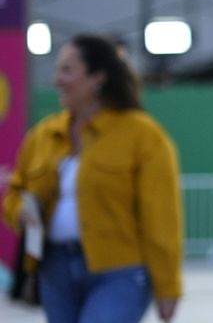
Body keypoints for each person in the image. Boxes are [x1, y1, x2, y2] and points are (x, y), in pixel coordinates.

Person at [3, 35, 182, 323]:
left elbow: (162, 218)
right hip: (54, 270)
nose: (57, 80)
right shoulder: (43, 135)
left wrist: (168, 286)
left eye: (67, 70)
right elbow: (15, 192)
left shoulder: (143, 136)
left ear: (97, 78)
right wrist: (19, 212)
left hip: (119, 271)